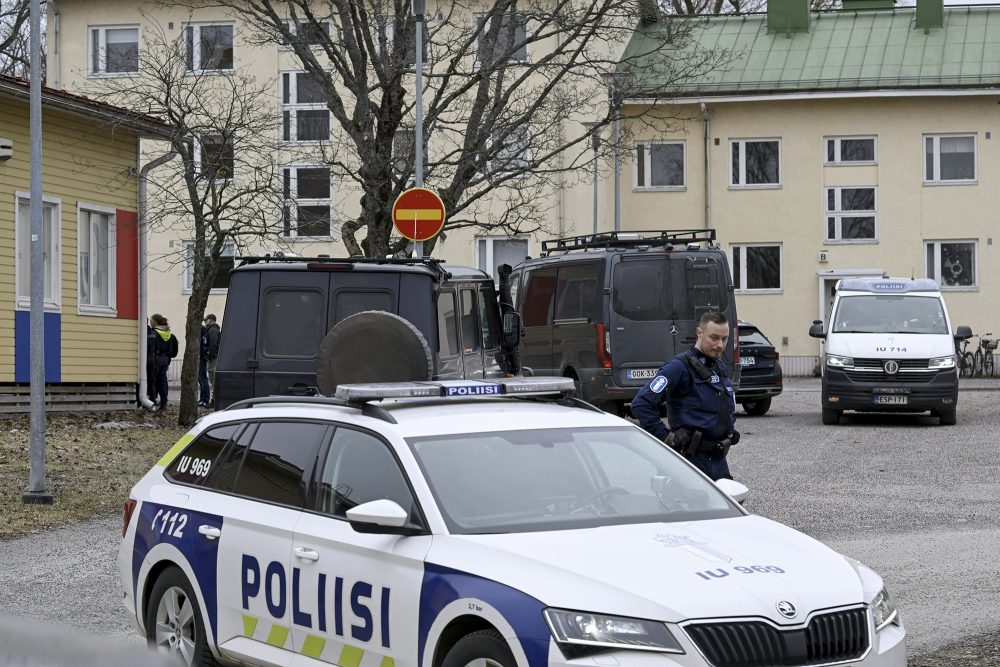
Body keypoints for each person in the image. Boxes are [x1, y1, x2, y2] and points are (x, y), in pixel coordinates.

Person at [630, 311, 739, 480]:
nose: (720, 345)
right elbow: (641, 404)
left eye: (724, 339)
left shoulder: (719, 368)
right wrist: (666, 437)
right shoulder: (679, 367)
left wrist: (729, 428)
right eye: (714, 338)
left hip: (718, 461)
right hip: (689, 460)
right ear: (699, 333)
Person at [148, 313, 179, 411]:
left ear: (155, 322)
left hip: (155, 359)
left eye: (151, 321)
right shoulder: (170, 334)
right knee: (163, 381)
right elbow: (174, 352)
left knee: (152, 381)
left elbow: (150, 348)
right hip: (165, 360)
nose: (150, 323)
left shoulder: (153, 334)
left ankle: (152, 403)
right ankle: (163, 404)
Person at [198, 314, 221, 407]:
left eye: (206, 320)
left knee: (214, 379)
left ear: (211, 320)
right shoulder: (210, 330)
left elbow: (213, 344)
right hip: (211, 357)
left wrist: (209, 355)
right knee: (212, 379)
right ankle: (214, 400)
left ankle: (214, 401)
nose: (204, 322)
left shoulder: (213, 330)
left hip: (213, 358)